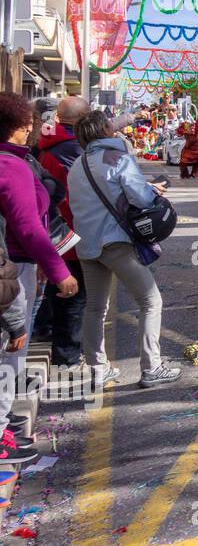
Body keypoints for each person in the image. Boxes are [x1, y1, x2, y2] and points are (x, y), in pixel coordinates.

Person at [67, 110, 180, 389]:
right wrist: (152, 190)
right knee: (151, 301)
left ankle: (96, 368)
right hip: (116, 241)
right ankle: (152, 367)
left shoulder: (76, 165)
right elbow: (140, 198)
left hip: (86, 243)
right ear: (105, 130)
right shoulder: (118, 159)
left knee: (95, 307)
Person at [0, 93, 78, 464]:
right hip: (12, 270)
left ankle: (5, 421)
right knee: (10, 345)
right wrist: (60, 271)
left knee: (12, 344)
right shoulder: (10, 166)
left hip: (17, 266)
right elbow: (29, 227)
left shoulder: (16, 160)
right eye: (25, 122)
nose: (31, 126)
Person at [36, 95, 90, 368]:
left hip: (50, 227)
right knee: (73, 296)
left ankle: (46, 331)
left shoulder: (47, 143)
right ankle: (67, 357)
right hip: (68, 229)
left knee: (56, 291)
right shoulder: (74, 149)